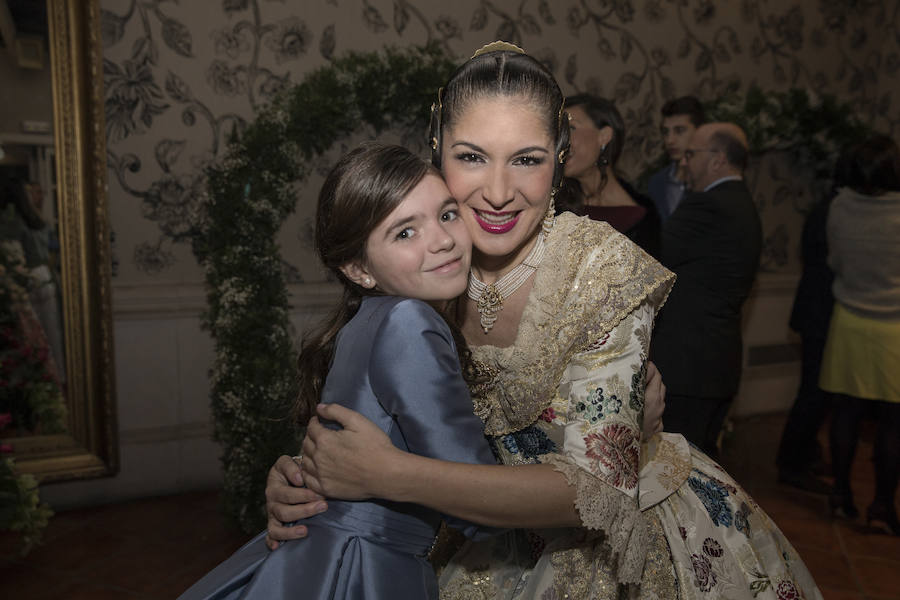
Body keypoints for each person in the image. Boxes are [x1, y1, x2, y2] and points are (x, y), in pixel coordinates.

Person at [265, 43, 820, 599]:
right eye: (472, 157)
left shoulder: (601, 269)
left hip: (610, 542)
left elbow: (598, 493)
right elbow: (372, 401)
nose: (500, 193)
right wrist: (305, 479)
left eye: (527, 159)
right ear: (437, 155)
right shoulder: (424, 262)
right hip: (463, 531)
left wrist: (387, 475)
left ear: (559, 160)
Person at [177, 143, 499, 599]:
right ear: (359, 269)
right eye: (405, 232)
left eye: (447, 215)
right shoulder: (410, 321)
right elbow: (478, 509)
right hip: (361, 567)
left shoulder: (363, 322)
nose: (442, 240)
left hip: (313, 553)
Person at [651, 122, 763, 458]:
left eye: (691, 154)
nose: (683, 162)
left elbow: (647, 259)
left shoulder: (707, 205)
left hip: (687, 368)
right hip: (717, 364)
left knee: (674, 473)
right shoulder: (743, 204)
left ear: (717, 159)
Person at [819, 135, 900, 535]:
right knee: (892, 424)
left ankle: (841, 494)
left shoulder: (840, 206)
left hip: (849, 319)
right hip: (894, 329)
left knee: (845, 414)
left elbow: (834, 260)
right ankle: (883, 505)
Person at [774, 177, 838, 495]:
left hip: (818, 312)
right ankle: (792, 462)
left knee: (816, 390)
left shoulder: (828, 207)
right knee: (814, 390)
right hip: (821, 314)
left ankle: (803, 454)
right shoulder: (835, 212)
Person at [556, 94, 660, 257]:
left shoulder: (643, 216)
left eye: (571, 128)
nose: (561, 140)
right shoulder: (553, 205)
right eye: (558, 131)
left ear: (604, 136)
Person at [647, 96, 706, 222]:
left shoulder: (709, 180)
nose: (670, 140)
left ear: (699, 131)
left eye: (679, 131)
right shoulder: (656, 182)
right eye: (665, 132)